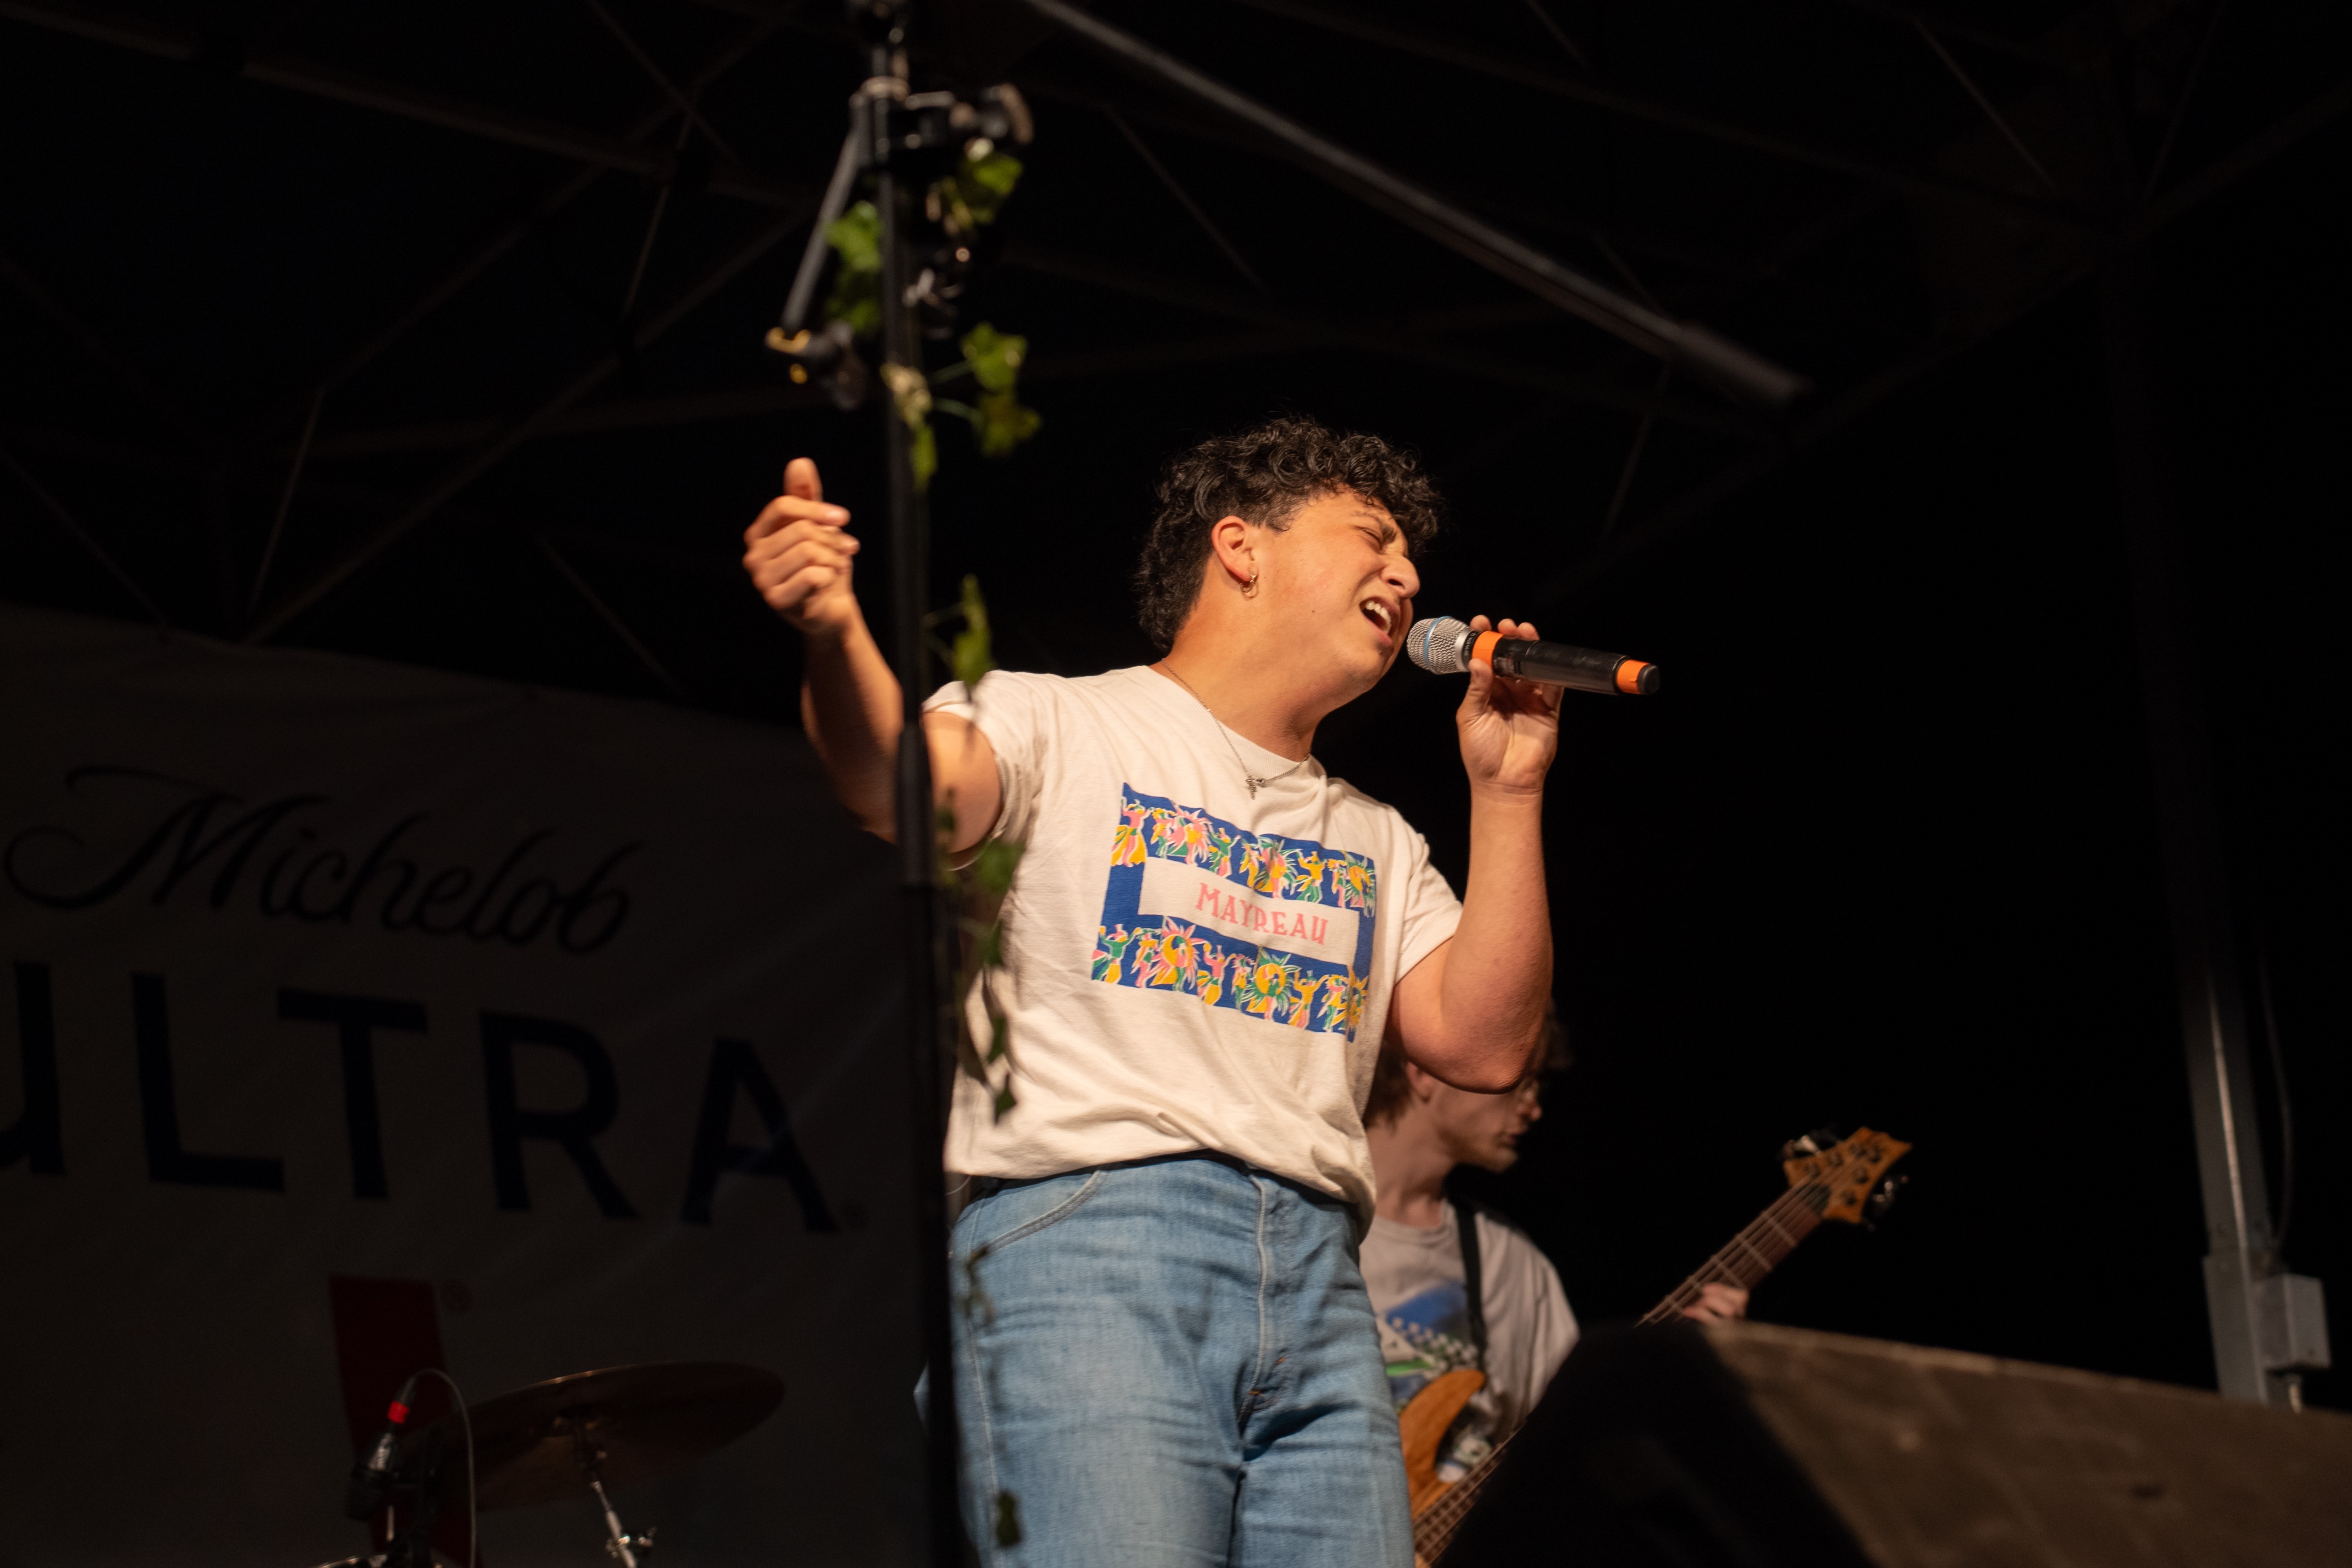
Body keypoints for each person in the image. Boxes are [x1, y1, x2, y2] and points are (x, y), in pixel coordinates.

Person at [741, 417, 1559, 1568]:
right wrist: (834, 631)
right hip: (1093, 1242)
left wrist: (1509, 792)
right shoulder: (1054, 719)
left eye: (1410, 557)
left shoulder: (1376, 835)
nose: (1409, 575)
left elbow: (1482, 1046)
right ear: (1242, 546)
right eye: (1372, 537)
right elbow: (895, 785)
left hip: (1326, 1285)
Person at [1361, 1024, 1748, 1493]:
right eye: (1519, 1080)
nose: (1535, 1107)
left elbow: (1582, 1446)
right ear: (1425, 1070)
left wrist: (1678, 1375)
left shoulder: (1510, 1263)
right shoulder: (1307, 1225)